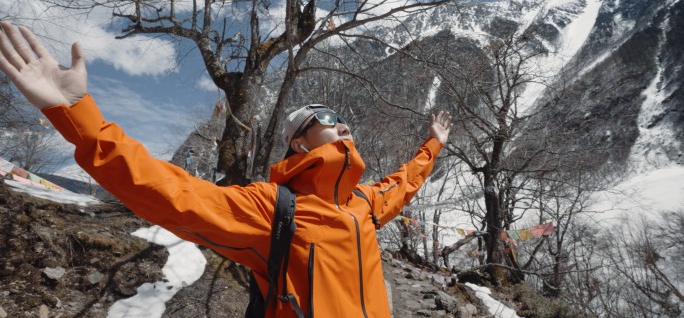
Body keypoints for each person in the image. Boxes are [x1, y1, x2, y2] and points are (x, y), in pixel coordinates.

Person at [0, 21, 452, 318]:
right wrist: (77, 114)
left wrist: (433, 144)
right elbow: (168, 191)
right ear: (299, 141)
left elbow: (404, 182)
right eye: (326, 119)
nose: (342, 124)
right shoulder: (272, 207)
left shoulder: (364, 204)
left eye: (341, 118)